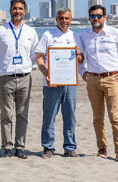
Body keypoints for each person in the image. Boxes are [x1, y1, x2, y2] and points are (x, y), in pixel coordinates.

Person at [80, 5, 118, 162]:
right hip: (92, 80)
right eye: (92, 16)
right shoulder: (84, 35)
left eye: (99, 16)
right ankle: (102, 148)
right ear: (89, 18)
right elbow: (78, 56)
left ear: (105, 17)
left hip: (112, 79)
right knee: (97, 117)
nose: (96, 19)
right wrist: (82, 72)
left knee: (115, 116)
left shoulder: (114, 32)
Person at [0, 0, 38, 159]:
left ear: (25, 11)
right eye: (15, 8)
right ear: (10, 10)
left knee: (22, 114)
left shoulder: (31, 31)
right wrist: (4, 65)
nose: (18, 11)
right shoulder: (0, 31)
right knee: (6, 114)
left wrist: (24, 67)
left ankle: (20, 147)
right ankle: (7, 148)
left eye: (21, 9)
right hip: (6, 78)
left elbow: (34, 54)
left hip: (25, 77)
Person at [35, 8, 84, 158]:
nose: (64, 21)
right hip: (51, 83)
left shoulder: (75, 36)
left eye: (67, 18)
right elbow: (39, 58)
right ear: (56, 19)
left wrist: (78, 55)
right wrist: (47, 75)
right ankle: (48, 147)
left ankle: (70, 148)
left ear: (71, 19)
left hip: (70, 83)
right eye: (61, 18)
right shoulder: (47, 35)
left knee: (70, 116)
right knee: (49, 115)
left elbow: (81, 60)